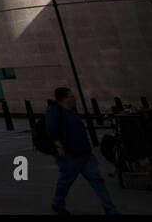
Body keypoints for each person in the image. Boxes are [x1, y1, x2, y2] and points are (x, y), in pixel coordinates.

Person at [46, 86, 119, 215]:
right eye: (71, 96)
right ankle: (57, 203)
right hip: (69, 156)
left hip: (85, 154)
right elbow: (51, 130)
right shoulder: (54, 110)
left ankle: (111, 210)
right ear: (64, 99)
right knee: (65, 182)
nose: (75, 98)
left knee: (97, 181)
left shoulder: (71, 112)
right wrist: (58, 147)